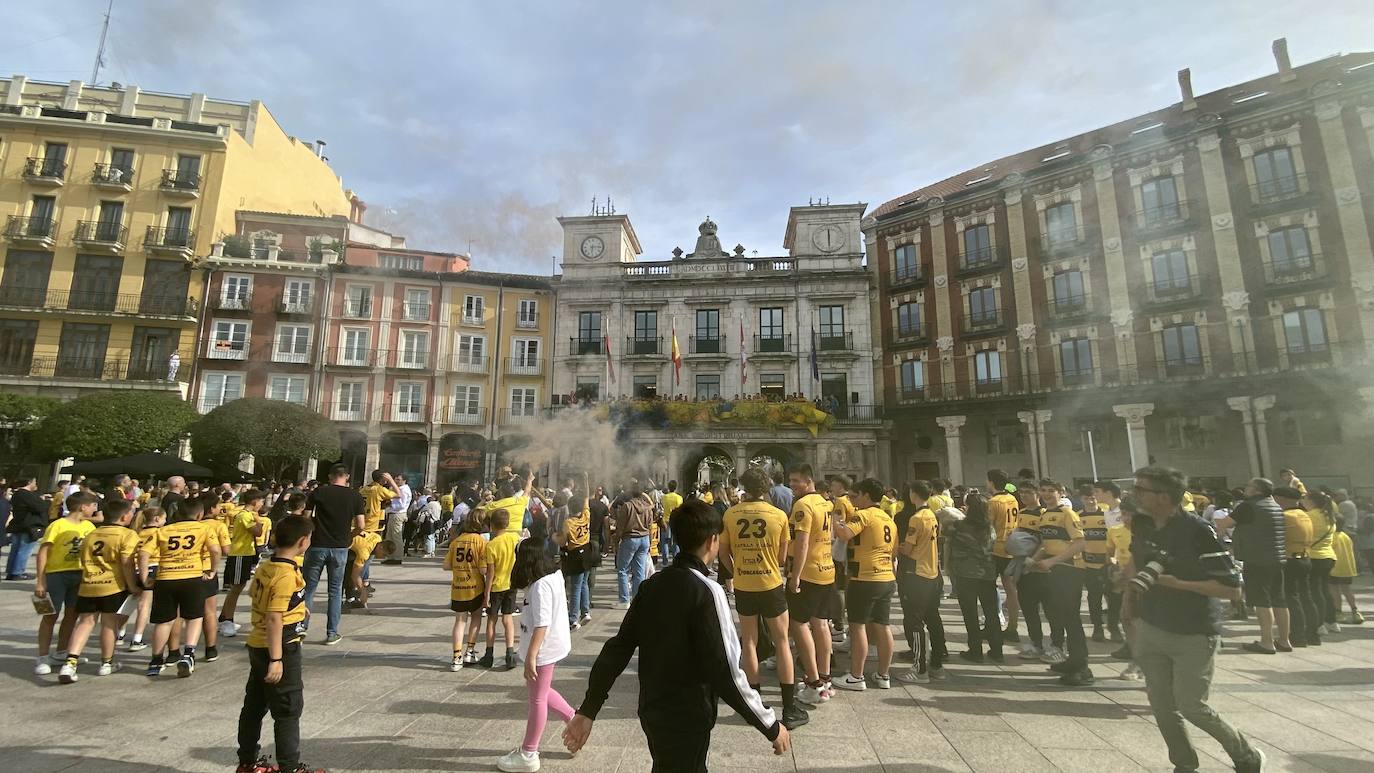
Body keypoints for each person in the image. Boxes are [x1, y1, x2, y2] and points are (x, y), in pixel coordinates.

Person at [562, 499, 789, 770]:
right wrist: (770, 725)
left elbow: (618, 649)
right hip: (690, 713)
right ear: (712, 541)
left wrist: (589, 708)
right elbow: (725, 669)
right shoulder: (708, 591)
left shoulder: (652, 585)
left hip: (653, 709)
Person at [1129, 465, 1264, 773]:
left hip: (1193, 631)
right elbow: (1133, 560)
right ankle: (1184, 764)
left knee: (1192, 706)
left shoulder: (1197, 531)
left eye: (1141, 489)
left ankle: (1246, 755)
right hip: (1151, 625)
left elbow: (1231, 589)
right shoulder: (1141, 523)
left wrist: (1179, 584)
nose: (1134, 494)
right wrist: (1127, 596)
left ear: (1163, 496)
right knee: (1162, 707)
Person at [235, 516, 326, 773]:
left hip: (257, 642)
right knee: (287, 709)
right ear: (303, 541)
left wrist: (297, 607)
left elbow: (258, 596)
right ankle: (290, 767)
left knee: (254, 704)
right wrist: (277, 659)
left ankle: (247, 761)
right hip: (280, 645)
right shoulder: (286, 574)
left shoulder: (268, 565)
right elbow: (275, 618)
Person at [721, 468, 808, 729]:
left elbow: (723, 552)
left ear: (744, 487)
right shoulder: (779, 515)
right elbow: (783, 558)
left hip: (745, 582)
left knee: (749, 640)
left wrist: (736, 569)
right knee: (782, 641)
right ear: (767, 488)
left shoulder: (730, 513)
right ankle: (789, 706)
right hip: (770, 583)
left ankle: (755, 703)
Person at [496, 537, 576, 773]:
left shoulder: (540, 586)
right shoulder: (554, 575)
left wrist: (531, 656)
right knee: (541, 691)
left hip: (544, 647)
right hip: (552, 644)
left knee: (537, 699)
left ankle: (529, 753)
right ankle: (572, 717)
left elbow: (542, 624)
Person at [60, 498, 140, 682]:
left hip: (88, 584)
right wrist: (133, 585)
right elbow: (127, 563)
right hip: (112, 585)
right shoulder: (127, 535)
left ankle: (70, 662)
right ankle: (106, 662)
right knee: (109, 623)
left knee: (85, 622)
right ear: (125, 516)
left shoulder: (91, 534)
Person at [831, 477, 898, 692]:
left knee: (858, 625)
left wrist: (834, 520)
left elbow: (844, 533)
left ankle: (856, 675)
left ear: (867, 495)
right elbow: (895, 551)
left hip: (864, 576)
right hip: (886, 576)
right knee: (882, 625)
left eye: (856, 496)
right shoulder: (888, 518)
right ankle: (883, 674)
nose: (853, 501)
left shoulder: (864, 515)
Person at [142, 497, 219, 678]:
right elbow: (215, 550)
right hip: (192, 576)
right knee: (194, 617)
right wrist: (213, 570)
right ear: (200, 514)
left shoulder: (164, 530)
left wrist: (144, 576)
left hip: (166, 577)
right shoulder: (205, 528)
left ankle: (156, 659)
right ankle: (189, 653)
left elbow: (144, 552)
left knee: (164, 621)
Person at [1214, 478, 1286, 654]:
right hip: (1277, 557)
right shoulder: (1275, 505)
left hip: (1257, 558)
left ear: (1257, 490)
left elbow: (1223, 524)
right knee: (1279, 600)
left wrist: (1220, 537)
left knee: (1262, 601)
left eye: (1249, 486)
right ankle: (1284, 640)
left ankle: (1267, 642)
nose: (1246, 489)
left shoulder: (1248, 506)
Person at [785, 463, 835, 707]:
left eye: (796, 481)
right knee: (821, 623)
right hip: (827, 569)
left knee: (799, 624)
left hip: (809, 572)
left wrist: (795, 576)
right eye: (791, 481)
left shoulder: (803, 505)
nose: (792, 485)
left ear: (808, 480)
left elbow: (802, 542)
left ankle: (813, 683)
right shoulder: (826, 503)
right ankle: (825, 679)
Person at [33, 491, 99, 676]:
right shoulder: (57, 525)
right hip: (56, 574)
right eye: (93, 505)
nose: (95, 509)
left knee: (72, 614)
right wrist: (40, 580)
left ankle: (62, 651)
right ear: (82, 506)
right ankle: (42, 656)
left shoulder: (89, 526)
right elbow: (44, 552)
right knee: (49, 615)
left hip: (79, 574)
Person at [1034, 479, 1092, 686]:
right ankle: (1072, 661)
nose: (1047, 494)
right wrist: (1035, 558)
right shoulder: (1045, 514)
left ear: (1061, 493)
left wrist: (1052, 561)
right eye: (1043, 490)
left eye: (1052, 491)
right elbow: (1048, 542)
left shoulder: (1068, 514)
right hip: (1056, 570)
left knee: (1072, 619)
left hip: (1070, 570)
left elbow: (1080, 543)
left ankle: (1082, 667)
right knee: (1061, 616)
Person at [302, 465, 366, 646]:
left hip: (317, 544)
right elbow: (361, 525)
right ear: (346, 477)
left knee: (308, 589)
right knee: (335, 591)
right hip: (339, 547)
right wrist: (349, 537)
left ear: (330, 476)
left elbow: (306, 518)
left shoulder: (319, 492)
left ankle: (301, 627)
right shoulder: (354, 495)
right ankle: (332, 633)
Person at [894, 480, 946, 683]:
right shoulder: (932, 515)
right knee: (933, 617)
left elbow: (908, 548)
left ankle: (919, 668)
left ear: (913, 495)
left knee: (915, 621)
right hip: (933, 571)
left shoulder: (916, 519)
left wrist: (895, 548)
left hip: (917, 573)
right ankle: (937, 664)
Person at [947, 491, 1003, 664]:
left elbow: (946, 533)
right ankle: (997, 650)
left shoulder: (958, 526)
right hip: (987, 574)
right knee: (991, 613)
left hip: (965, 574)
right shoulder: (990, 528)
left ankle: (975, 650)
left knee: (970, 613)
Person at [220, 489, 267, 638]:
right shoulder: (245, 516)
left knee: (239, 586)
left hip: (246, 553)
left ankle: (224, 617)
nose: (262, 505)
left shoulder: (247, 515)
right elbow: (258, 532)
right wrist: (258, 520)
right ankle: (227, 620)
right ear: (254, 502)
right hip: (240, 554)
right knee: (236, 588)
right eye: (261, 502)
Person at [1274, 486, 1316, 650]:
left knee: (1291, 597)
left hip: (1290, 559)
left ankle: (1297, 635)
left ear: (1280, 499)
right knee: (1306, 596)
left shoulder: (1284, 516)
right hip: (1305, 557)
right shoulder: (1304, 515)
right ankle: (1313, 634)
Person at [479, 509, 520, 670]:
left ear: (491, 526)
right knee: (507, 619)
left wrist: (486, 594)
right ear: (507, 523)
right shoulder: (515, 539)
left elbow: (490, 573)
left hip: (496, 586)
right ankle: (510, 653)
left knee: (492, 620)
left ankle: (489, 654)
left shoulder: (491, 545)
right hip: (511, 584)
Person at [1106, 496, 1142, 679]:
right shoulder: (1117, 531)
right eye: (1124, 514)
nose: (1126, 519)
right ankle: (1138, 660)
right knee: (1127, 618)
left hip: (1149, 586)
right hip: (1128, 582)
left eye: (1131, 515)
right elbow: (1112, 554)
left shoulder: (1150, 535)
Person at [447, 515, 487, 670]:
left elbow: (446, 565)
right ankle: (469, 651)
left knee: (459, 621)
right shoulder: (480, 542)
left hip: (458, 587)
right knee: (476, 618)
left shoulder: (455, 542)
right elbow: (483, 568)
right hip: (475, 587)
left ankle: (456, 656)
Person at [986, 470, 1020, 642]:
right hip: (1012, 546)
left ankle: (992, 624)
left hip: (997, 548)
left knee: (990, 588)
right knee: (1010, 589)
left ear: (991, 482)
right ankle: (1013, 627)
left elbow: (987, 527)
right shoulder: (1012, 499)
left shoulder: (993, 502)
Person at [1303, 489, 1340, 636]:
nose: (1303, 501)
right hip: (1328, 556)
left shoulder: (1310, 515)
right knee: (1324, 589)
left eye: (1305, 498)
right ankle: (1331, 621)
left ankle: (1318, 624)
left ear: (1311, 501)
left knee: (1314, 591)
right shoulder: (1329, 516)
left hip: (1314, 556)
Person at [611, 481, 655, 608]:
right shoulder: (647, 507)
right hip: (644, 539)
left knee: (623, 570)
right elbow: (650, 526)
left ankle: (624, 600)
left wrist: (616, 540)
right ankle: (637, 598)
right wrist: (650, 542)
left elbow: (621, 526)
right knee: (639, 571)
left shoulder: (627, 506)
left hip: (630, 539)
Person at [1079, 488, 1114, 642]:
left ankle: (1114, 628)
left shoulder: (1106, 515)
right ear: (1082, 499)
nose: (1090, 501)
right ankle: (1097, 628)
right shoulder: (1078, 516)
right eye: (1087, 498)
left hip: (1107, 564)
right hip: (1089, 564)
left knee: (1113, 597)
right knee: (1094, 597)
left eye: (1093, 498)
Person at [556, 493, 593, 628]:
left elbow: (563, 541)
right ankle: (586, 611)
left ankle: (573, 618)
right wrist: (586, 482)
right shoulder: (586, 516)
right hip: (587, 552)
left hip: (575, 554)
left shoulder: (568, 523)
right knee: (584, 583)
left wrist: (554, 536)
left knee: (576, 587)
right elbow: (587, 499)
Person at [6, 477, 47, 580]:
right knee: (24, 550)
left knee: (15, 549)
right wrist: (42, 500)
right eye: (34, 482)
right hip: (29, 525)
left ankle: (11, 571)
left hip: (18, 524)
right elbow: (40, 507)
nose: (36, 484)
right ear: (29, 482)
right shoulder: (27, 495)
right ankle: (18, 572)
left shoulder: (17, 494)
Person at [1330, 518, 1362, 624]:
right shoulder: (1345, 536)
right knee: (1347, 590)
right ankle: (1355, 611)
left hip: (1335, 568)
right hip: (1347, 568)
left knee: (1335, 590)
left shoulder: (1332, 537)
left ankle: (1338, 612)